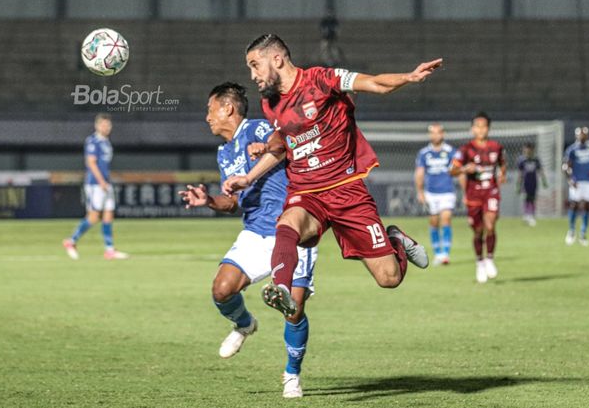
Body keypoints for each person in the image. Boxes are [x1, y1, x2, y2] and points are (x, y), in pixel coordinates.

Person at [223, 34, 440, 319]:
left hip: (347, 191)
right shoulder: (270, 104)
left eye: (255, 65)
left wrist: (409, 77)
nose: (252, 75)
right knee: (287, 224)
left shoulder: (321, 79)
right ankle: (282, 290)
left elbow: (373, 83)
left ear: (276, 59)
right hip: (307, 191)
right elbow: (282, 145)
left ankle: (395, 239)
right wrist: (250, 176)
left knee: (389, 278)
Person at [179, 82, 317, 399]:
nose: (207, 117)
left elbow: (281, 144)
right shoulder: (224, 152)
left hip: (293, 227)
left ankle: (291, 375)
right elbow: (236, 201)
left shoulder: (255, 128)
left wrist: (265, 148)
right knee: (221, 289)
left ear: (228, 108)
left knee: (292, 310)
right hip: (256, 230)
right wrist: (210, 201)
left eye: (210, 109)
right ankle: (244, 324)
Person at [63, 113, 128, 260]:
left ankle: (109, 250)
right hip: (95, 184)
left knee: (108, 214)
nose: (106, 127)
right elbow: (91, 162)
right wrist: (101, 181)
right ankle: (71, 241)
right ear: (97, 126)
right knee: (93, 217)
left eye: (108, 125)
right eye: (103, 124)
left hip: (105, 182)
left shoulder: (106, 142)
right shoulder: (93, 141)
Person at [450, 112, 506, 284]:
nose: (480, 129)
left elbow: (502, 164)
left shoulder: (496, 147)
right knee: (478, 231)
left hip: (491, 191)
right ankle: (479, 262)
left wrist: (502, 175)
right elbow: (452, 170)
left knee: (490, 225)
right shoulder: (466, 150)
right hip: (473, 194)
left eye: (484, 126)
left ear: (488, 128)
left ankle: (489, 258)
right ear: (472, 129)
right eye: (477, 126)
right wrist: (466, 168)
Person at [415, 123, 457, 265]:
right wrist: (420, 192)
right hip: (431, 193)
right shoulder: (424, 153)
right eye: (432, 132)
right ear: (429, 135)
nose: (435, 135)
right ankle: (437, 253)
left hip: (447, 191)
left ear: (443, 134)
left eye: (438, 132)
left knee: (446, 219)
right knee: (434, 222)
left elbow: (458, 170)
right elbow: (419, 173)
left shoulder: (451, 151)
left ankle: (445, 254)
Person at [563, 126, 589, 246]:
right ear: (576, 135)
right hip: (577, 181)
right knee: (574, 205)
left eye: (584, 134)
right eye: (580, 134)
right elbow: (566, 165)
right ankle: (571, 231)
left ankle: (583, 232)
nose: (582, 136)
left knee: (587, 205)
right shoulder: (572, 149)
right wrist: (570, 179)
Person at [516, 142, 548, 227]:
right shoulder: (521, 160)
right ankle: (526, 214)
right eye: (526, 149)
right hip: (525, 182)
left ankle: (532, 215)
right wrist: (518, 185)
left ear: (532, 150)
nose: (527, 151)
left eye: (529, 149)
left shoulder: (536, 160)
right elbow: (520, 173)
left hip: (533, 182)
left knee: (533, 199)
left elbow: (540, 170)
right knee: (526, 198)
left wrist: (544, 181)